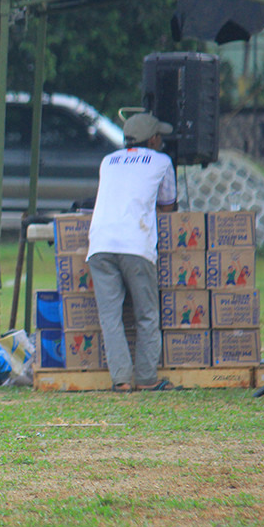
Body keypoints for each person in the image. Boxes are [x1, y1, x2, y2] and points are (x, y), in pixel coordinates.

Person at [86, 112, 177, 393]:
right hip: (135, 244)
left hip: (100, 244)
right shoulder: (162, 161)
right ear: (153, 139)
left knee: (110, 317)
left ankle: (122, 380)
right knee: (146, 314)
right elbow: (167, 207)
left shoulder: (108, 161)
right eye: (160, 137)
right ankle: (147, 379)